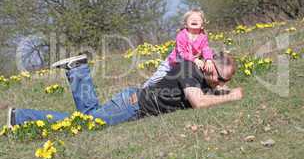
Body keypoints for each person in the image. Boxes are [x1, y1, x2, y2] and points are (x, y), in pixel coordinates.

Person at [7, 52, 243, 127]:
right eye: (222, 79)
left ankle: (77, 69)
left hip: (131, 100)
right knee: (85, 124)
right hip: (132, 105)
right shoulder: (189, 71)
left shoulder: (199, 73)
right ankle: (21, 117)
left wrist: (220, 90)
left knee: (89, 116)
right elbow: (199, 103)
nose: (223, 85)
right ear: (212, 69)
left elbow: (205, 93)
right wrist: (230, 97)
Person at [143, 8, 215, 88]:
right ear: (185, 24)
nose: (194, 19)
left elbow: (206, 49)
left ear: (202, 25)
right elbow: (182, 53)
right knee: (156, 80)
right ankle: (143, 88)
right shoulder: (182, 35)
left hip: (187, 63)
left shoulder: (203, 37)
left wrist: (208, 60)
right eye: (191, 19)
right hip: (172, 63)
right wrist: (195, 59)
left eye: (198, 19)